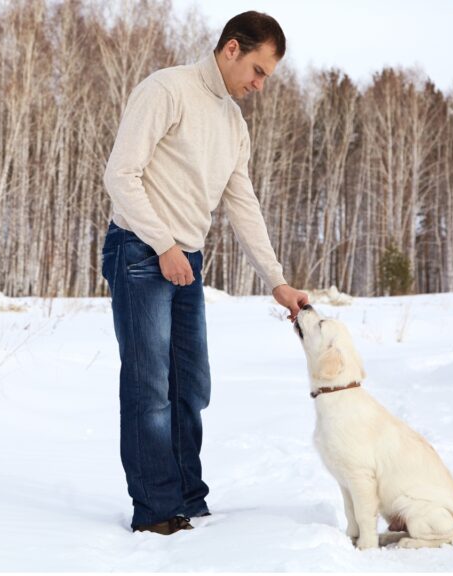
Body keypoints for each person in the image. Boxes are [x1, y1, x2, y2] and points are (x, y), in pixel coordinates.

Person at [100, 10, 309, 536]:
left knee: (190, 387)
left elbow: (244, 206)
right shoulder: (166, 90)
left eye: (268, 77)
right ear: (232, 49)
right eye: (258, 71)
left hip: (184, 260)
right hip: (140, 252)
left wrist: (277, 280)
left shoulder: (233, 123)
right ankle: (155, 512)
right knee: (150, 388)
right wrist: (163, 244)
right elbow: (120, 175)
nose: (259, 86)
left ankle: (187, 499)